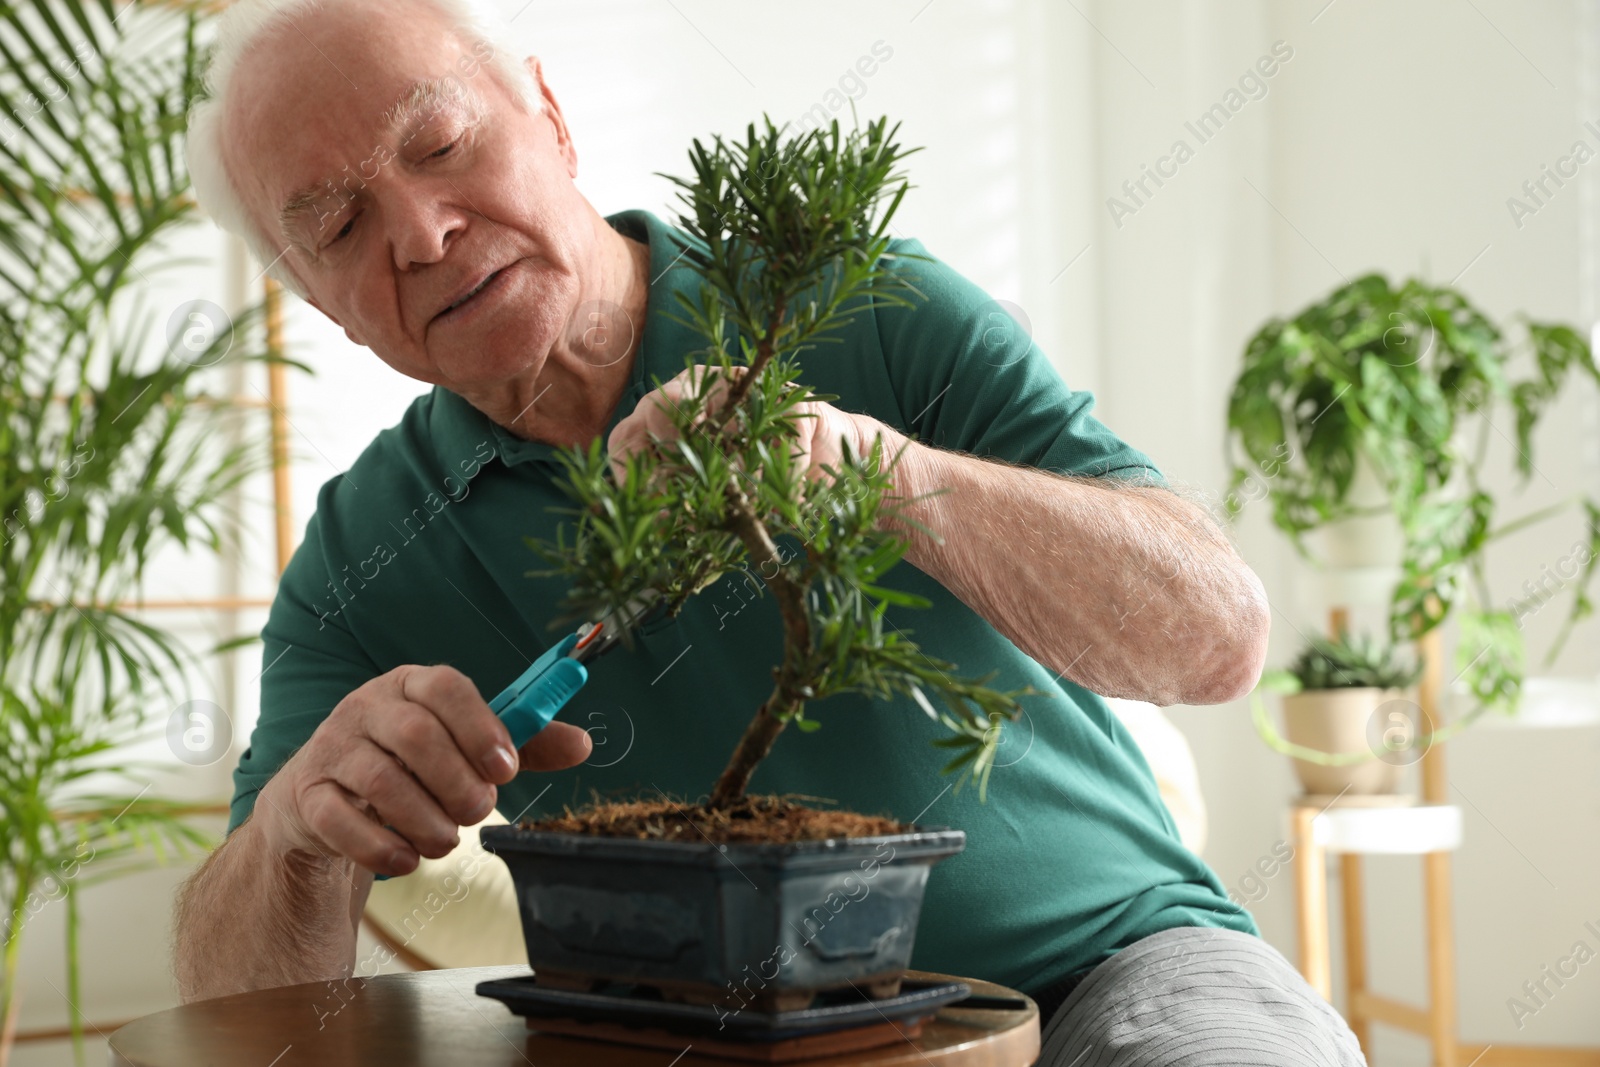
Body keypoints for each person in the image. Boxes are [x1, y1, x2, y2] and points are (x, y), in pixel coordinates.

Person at [172, 0, 1362, 1061]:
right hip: (689, 1038)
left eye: (440, 146)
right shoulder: (368, 553)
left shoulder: (866, 305)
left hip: (1108, 974)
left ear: (548, 115)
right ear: (313, 298)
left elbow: (1212, 640)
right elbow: (234, 1010)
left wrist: (866, 466)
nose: (422, 233)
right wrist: (293, 832)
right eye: (336, 226)